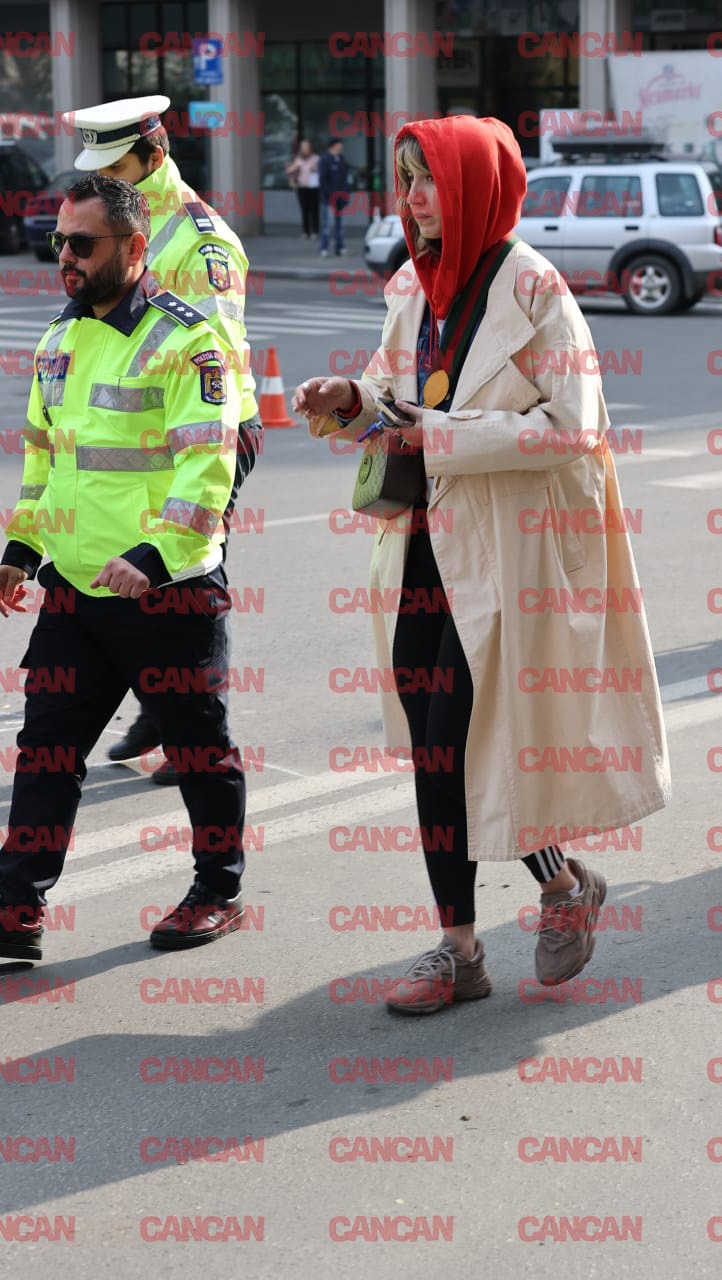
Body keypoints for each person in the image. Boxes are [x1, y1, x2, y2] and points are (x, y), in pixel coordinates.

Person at [294, 115, 670, 1014]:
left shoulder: (536, 288)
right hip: (421, 545)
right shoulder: (411, 284)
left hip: (509, 554)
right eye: (405, 177)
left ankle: (486, 931)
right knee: (440, 748)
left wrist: (442, 433)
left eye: (429, 178)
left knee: (465, 736)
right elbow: (392, 396)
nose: (413, 196)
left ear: (475, 187)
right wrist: (350, 400)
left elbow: (573, 425)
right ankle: (509, 917)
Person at [0, 174, 247, 963]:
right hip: (76, 593)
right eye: (59, 242)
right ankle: (15, 906)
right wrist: (20, 549)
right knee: (46, 749)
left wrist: (156, 555)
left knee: (199, 752)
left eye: (82, 243)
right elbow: (44, 458)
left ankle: (217, 892)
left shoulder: (188, 342)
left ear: (135, 247)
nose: (65, 257)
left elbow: (208, 466)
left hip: (166, 593)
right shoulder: (58, 340)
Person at [66, 95, 264, 782]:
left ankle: (195, 736)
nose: (105, 181)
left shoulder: (202, 243)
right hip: (135, 432)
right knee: (136, 570)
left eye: (117, 167)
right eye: (99, 170)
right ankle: (163, 707)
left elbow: (213, 367)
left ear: (156, 154)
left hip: (206, 432)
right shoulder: (118, 223)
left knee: (188, 570)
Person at [318, 137, 350, 257]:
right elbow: (323, 181)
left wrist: (345, 194)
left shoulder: (341, 159)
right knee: (327, 225)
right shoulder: (325, 160)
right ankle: (324, 248)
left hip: (340, 199)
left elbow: (345, 179)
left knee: (340, 226)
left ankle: (340, 247)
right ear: (333, 146)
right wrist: (331, 195)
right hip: (328, 199)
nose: (341, 148)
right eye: (339, 145)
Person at [286, 138, 320, 238]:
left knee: (314, 210)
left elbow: (322, 171)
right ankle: (306, 231)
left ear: (310, 148)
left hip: (313, 188)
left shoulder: (316, 158)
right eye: (303, 147)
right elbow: (289, 171)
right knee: (304, 210)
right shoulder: (299, 159)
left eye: (306, 147)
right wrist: (290, 168)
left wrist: (315, 168)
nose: (304, 149)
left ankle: (315, 231)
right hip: (302, 187)